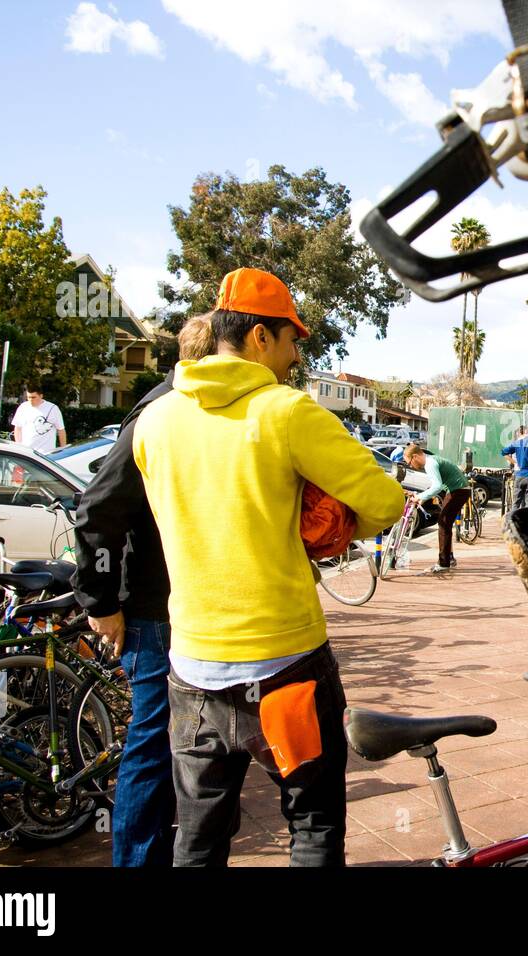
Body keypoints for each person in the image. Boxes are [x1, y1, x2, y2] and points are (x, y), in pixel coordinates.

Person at [132, 267, 404, 867]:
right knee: (311, 829)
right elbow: (385, 502)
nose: (295, 353)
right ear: (259, 337)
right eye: (291, 339)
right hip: (287, 669)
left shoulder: (154, 421)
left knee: (197, 840)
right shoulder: (285, 411)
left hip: (194, 671)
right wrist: (329, 533)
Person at [71, 312, 213, 867]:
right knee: (151, 746)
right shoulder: (160, 411)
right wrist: (101, 603)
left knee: (175, 746)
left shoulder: (186, 410)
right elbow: (98, 510)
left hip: (180, 605)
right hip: (153, 610)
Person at [403, 442, 470, 574]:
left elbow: (437, 486)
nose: (410, 465)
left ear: (415, 456)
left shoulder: (430, 464)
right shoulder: (432, 460)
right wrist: (422, 498)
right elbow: (435, 486)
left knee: (443, 523)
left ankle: (444, 563)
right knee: (445, 523)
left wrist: (419, 496)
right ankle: (449, 558)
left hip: (458, 490)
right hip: (458, 490)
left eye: (409, 462)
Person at [501, 424, 528, 510]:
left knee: (516, 503)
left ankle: (513, 520)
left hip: (519, 475)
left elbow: (503, 452)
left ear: (525, 431)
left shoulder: (518, 443)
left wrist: (514, 462)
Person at [11, 385, 66, 453]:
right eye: (28, 397)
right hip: (27, 452)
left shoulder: (52, 408)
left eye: (33, 397)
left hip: (46, 453)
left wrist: (63, 450)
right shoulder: (23, 407)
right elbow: (18, 428)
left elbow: (61, 430)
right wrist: (19, 447)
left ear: (41, 396)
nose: (31, 400)